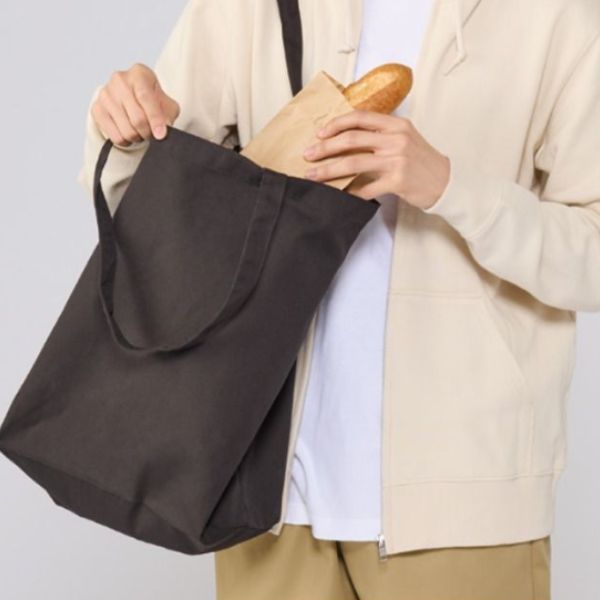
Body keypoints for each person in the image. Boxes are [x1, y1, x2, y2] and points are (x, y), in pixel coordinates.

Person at [77, 0, 600, 598]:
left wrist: (448, 187)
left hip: (461, 501)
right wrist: (125, 125)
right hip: (261, 490)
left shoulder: (557, 16)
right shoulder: (246, 9)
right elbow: (148, 207)